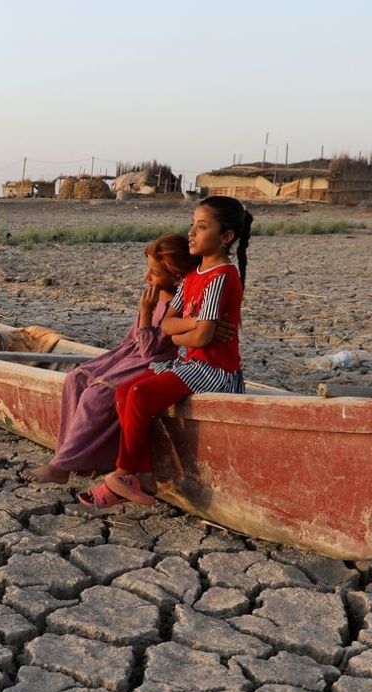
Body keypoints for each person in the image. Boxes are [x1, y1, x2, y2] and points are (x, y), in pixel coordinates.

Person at [82, 195, 253, 508]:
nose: (191, 232)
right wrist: (192, 328)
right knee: (123, 393)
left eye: (201, 227)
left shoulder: (222, 277)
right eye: (192, 225)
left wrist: (190, 333)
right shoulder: (192, 277)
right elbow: (169, 328)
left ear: (226, 237)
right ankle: (144, 475)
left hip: (214, 371)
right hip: (191, 365)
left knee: (140, 395)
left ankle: (122, 473)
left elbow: (201, 340)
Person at [21, 234, 194, 483]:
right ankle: (70, 459)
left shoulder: (178, 304)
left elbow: (149, 350)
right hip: (129, 354)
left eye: (154, 273)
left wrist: (145, 313)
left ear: (176, 276)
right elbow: (131, 340)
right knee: (75, 379)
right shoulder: (155, 296)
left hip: (152, 361)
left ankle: (61, 465)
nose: (147, 278)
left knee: (97, 395)